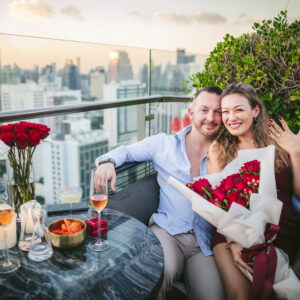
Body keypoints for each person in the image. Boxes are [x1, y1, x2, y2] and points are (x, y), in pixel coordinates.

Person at [95, 86, 225, 300]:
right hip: (168, 232)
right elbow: (126, 151)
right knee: (155, 277)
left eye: (218, 111)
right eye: (204, 110)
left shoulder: (227, 152)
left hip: (205, 242)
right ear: (191, 113)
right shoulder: (163, 144)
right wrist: (107, 162)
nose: (211, 118)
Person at [207, 82, 300, 299]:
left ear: (255, 110)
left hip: (280, 234)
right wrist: (233, 242)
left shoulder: (280, 143)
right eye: (226, 112)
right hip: (232, 235)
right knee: (241, 296)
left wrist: (295, 153)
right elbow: (217, 204)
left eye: (239, 109)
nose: (231, 118)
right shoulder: (219, 149)